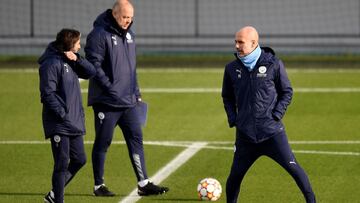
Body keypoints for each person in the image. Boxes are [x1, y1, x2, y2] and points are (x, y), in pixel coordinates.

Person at [221, 26, 316, 203]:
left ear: (253, 43)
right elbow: (227, 96)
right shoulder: (231, 69)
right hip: (245, 137)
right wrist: (234, 118)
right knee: (234, 177)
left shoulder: (273, 64)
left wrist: (277, 114)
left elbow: (287, 91)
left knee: (295, 169)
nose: (236, 46)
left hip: (272, 134)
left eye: (240, 42)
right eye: (235, 42)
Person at [85, 0, 169, 196]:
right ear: (114, 14)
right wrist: (110, 88)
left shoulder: (130, 34)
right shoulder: (98, 35)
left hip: (129, 101)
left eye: (131, 18)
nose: (128, 21)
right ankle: (99, 186)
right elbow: (93, 66)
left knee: (136, 138)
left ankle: (143, 182)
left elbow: (132, 68)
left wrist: (136, 91)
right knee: (103, 141)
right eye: (125, 17)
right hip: (106, 102)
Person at [39, 28, 96, 203]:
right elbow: (47, 94)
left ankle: (54, 194)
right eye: (78, 43)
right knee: (62, 164)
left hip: (73, 122)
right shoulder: (51, 63)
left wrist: (77, 58)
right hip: (60, 122)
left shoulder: (70, 60)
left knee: (79, 159)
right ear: (70, 43)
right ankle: (58, 200)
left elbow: (90, 72)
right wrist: (62, 113)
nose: (80, 45)